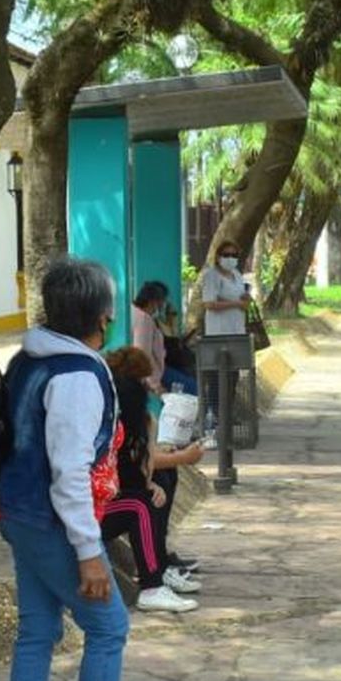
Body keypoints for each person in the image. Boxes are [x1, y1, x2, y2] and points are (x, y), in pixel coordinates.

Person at [0, 257, 163, 681]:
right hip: (54, 522)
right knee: (109, 627)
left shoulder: (30, 358)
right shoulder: (78, 376)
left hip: (19, 514)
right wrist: (90, 554)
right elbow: (69, 471)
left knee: (38, 632)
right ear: (103, 315)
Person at [102, 347, 202, 613]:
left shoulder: (128, 422)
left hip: (99, 500)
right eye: (142, 383)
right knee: (140, 506)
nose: (147, 389)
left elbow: (137, 466)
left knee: (157, 486)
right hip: (84, 510)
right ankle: (152, 584)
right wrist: (180, 457)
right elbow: (128, 466)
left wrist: (149, 481)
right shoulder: (112, 424)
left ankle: (159, 566)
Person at [199, 241, 251, 434]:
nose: (231, 258)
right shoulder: (211, 276)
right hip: (218, 333)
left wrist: (243, 300)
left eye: (234, 255)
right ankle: (213, 415)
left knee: (233, 375)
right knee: (216, 376)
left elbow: (241, 297)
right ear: (219, 256)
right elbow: (209, 303)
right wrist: (235, 303)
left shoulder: (237, 275)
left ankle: (227, 414)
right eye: (227, 254)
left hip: (237, 330)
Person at [132, 280, 198, 396]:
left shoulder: (136, 313)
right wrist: (155, 385)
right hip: (154, 374)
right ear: (154, 302)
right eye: (162, 302)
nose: (163, 305)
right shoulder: (144, 319)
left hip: (154, 370)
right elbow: (143, 353)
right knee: (194, 388)